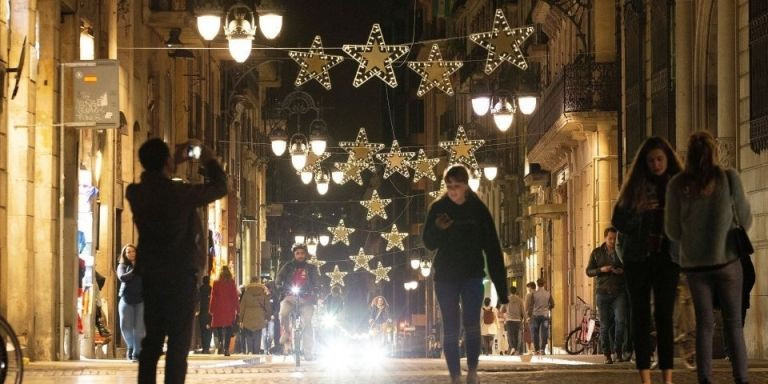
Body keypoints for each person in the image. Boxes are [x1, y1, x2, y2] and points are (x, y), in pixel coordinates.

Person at [126, 138, 227, 384]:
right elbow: (220, 187)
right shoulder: (179, 193)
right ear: (166, 162)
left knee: (152, 343)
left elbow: (151, 184)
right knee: (178, 347)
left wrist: (168, 164)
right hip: (180, 277)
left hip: (151, 277)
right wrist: (206, 157)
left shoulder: (135, 193)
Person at [665, 131, 751, 384]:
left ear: (687, 155)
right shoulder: (729, 178)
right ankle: (742, 378)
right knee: (733, 323)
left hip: (695, 266)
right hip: (727, 261)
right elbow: (744, 219)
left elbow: (672, 230)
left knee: (704, 325)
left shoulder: (676, 185)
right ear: (714, 153)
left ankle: (705, 379)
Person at [422, 164, 508, 384]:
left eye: (456, 186)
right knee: (450, 324)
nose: (452, 191)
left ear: (466, 185)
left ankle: (471, 370)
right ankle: (455, 376)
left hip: (472, 275)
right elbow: (428, 243)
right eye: (448, 186)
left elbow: (492, 249)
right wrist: (439, 229)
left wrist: (503, 293)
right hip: (445, 277)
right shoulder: (438, 208)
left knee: (471, 322)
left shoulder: (477, 209)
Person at [611, 136, 681, 384]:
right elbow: (617, 221)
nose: (656, 164)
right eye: (651, 160)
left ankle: (668, 378)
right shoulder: (634, 188)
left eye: (660, 159)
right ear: (645, 162)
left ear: (667, 159)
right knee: (640, 317)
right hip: (637, 260)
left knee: (664, 316)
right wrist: (639, 214)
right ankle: (645, 378)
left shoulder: (677, 185)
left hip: (667, 258)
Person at [586, 227, 627, 364]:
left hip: (618, 292)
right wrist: (601, 270)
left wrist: (621, 271)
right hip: (602, 292)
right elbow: (589, 271)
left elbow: (629, 268)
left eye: (614, 239)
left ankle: (618, 351)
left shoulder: (620, 251)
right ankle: (607, 354)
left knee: (620, 321)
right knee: (604, 325)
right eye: (610, 238)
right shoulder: (597, 253)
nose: (612, 241)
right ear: (605, 238)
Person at [276, 243, 320, 360]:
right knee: (283, 313)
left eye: (302, 253)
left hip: (307, 299)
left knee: (307, 323)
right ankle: (286, 332)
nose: (300, 255)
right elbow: (279, 278)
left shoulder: (311, 268)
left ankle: (308, 351)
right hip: (290, 297)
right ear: (294, 255)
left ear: (305, 255)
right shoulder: (288, 266)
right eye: (297, 253)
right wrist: (280, 285)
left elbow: (316, 280)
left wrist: (316, 288)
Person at [117, 244, 144, 362]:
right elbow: (122, 277)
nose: (131, 253)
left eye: (133, 251)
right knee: (125, 326)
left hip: (141, 299)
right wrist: (135, 270)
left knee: (139, 328)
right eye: (128, 252)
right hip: (126, 298)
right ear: (125, 254)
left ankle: (136, 353)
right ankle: (131, 346)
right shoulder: (122, 266)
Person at [210, 266, 239, 356]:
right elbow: (235, 297)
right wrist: (237, 309)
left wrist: (211, 309)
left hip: (218, 309)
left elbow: (213, 297)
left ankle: (220, 344)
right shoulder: (231, 283)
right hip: (229, 310)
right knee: (228, 328)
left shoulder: (216, 283)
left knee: (218, 327)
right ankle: (226, 348)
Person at [239, 276, 271, 355]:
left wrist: (240, 320)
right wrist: (268, 317)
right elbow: (267, 305)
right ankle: (256, 352)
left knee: (248, 335)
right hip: (259, 316)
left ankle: (250, 350)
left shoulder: (246, 292)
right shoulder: (263, 292)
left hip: (247, 316)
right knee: (258, 335)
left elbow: (242, 307)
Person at [527, 278, 553, 355]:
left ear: (537, 284)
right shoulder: (548, 293)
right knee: (544, 332)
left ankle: (537, 350)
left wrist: (529, 315)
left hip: (536, 316)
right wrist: (547, 309)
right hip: (545, 315)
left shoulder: (534, 294)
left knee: (535, 332)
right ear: (544, 284)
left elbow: (531, 306)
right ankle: (542, 349)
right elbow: (552, 304)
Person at [500, 286, 524, 355]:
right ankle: (516, 349)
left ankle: (513, 347)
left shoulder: (506, 299)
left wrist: (507, 309)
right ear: (516, 291)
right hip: (517, 320)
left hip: (509, 320)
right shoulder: (520, 300)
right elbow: (523, 311)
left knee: (510, 335)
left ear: (510, 292)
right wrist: (525, 319)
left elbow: (502, 310)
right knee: (517, 335)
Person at [197, 276, 212, 353]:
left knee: (202, 331)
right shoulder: (211, 289)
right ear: (209, 281)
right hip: (209, 313)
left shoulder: (200, 290)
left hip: (202, 313)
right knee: (209, 331)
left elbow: (197, 300)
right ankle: (207, 347)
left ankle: (204, 348)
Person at [523, 281, 536, 354]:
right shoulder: (538, 294)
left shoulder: (528, 295)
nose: (528, 290)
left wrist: (525, 317)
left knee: (530, 333)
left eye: (528, 288)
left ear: (530, 288)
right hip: (539, 315)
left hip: (531, 316)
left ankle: (531, 349)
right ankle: (538, 348)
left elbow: (526, 307)